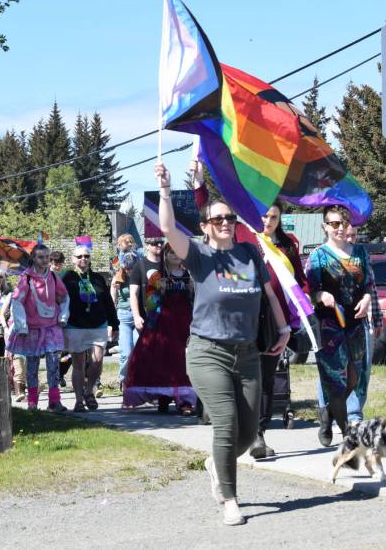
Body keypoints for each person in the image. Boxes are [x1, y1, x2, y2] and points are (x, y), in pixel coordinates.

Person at [155, 161, 290, 527]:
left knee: (249, 431)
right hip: (207, 352)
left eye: (229, 217)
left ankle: (218, 463)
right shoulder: (200, 256)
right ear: (205, 227)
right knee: (227, 424)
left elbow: (269, 296)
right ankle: (230, 499)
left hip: (247, 352)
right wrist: (166, 190)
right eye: (217, 219)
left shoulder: (248, 254)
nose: (226, 222)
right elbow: (167, 227)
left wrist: (284, 328)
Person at [189, 160, 310, 457]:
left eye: (273, 216)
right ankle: (224, 418)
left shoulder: (289, 244)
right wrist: (199, 184)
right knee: (235, 375)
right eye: (264, 214)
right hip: (243, 321)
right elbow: (209, 215)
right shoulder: (242, 235)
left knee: (267, 378)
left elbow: (300, 281)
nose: (267, 220)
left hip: (273, 322)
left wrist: (308, 305)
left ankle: (259, 434)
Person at [306, 206, 382, 447]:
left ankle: (327, 414)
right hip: (329, 324)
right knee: (334, 381)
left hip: (355, 323)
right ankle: (347, 433)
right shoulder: (319, 255)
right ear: (325, 227)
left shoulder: (360, 252)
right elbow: (308, 291)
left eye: (343, 223)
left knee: (353, 378)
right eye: (334, 224)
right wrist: (321, 296)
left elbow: (369, 284)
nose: (339, 228)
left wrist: (367, 299)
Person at [122, 244, 197, 415]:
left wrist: (192, 289)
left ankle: (184, 400)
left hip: (184, 322)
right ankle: (163, 397)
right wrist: (158, 291)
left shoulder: (190, 275)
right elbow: (149, 304)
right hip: (162, 323)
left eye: (178, 252)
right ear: (165, 256)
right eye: (171, 253)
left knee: (181, 360)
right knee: (161, 360)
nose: (175, 256)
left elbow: (195, 299)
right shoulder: (157, 276)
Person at [7, 243, 70, 412]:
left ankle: (54, 400)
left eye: (47, 257)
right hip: (32, 328)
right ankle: (32, 401)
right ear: (33, 258)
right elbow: (17, 300)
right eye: (41, 257)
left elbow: (64, 297)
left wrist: (63, 315)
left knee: (53, 362)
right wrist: (21, 324)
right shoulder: (26, 278)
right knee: (32, 364)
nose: (44, 261)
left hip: (51, 326)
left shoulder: (54, 277)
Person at [62, 246, 118, 411]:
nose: (83, 259)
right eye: (79, 256)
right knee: (78, 364)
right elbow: (60, 300)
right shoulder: (67, 278)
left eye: (86, 256)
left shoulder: (98, 278)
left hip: (98, 324)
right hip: (76, 325)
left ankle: (89, 391)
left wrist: (114, 324)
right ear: (73, 259)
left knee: (97, 360)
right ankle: (79, 400)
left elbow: (107, 301)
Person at [110, 237, 140, 389]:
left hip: (139, 317)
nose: (129, 271)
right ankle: (124, 380)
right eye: (127, 268)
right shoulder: (119, 276)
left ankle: (137, 380)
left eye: (132, 268)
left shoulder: (140, 275)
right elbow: (112, 296)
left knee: (139, 349)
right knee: (126, 352)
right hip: (124, 315)